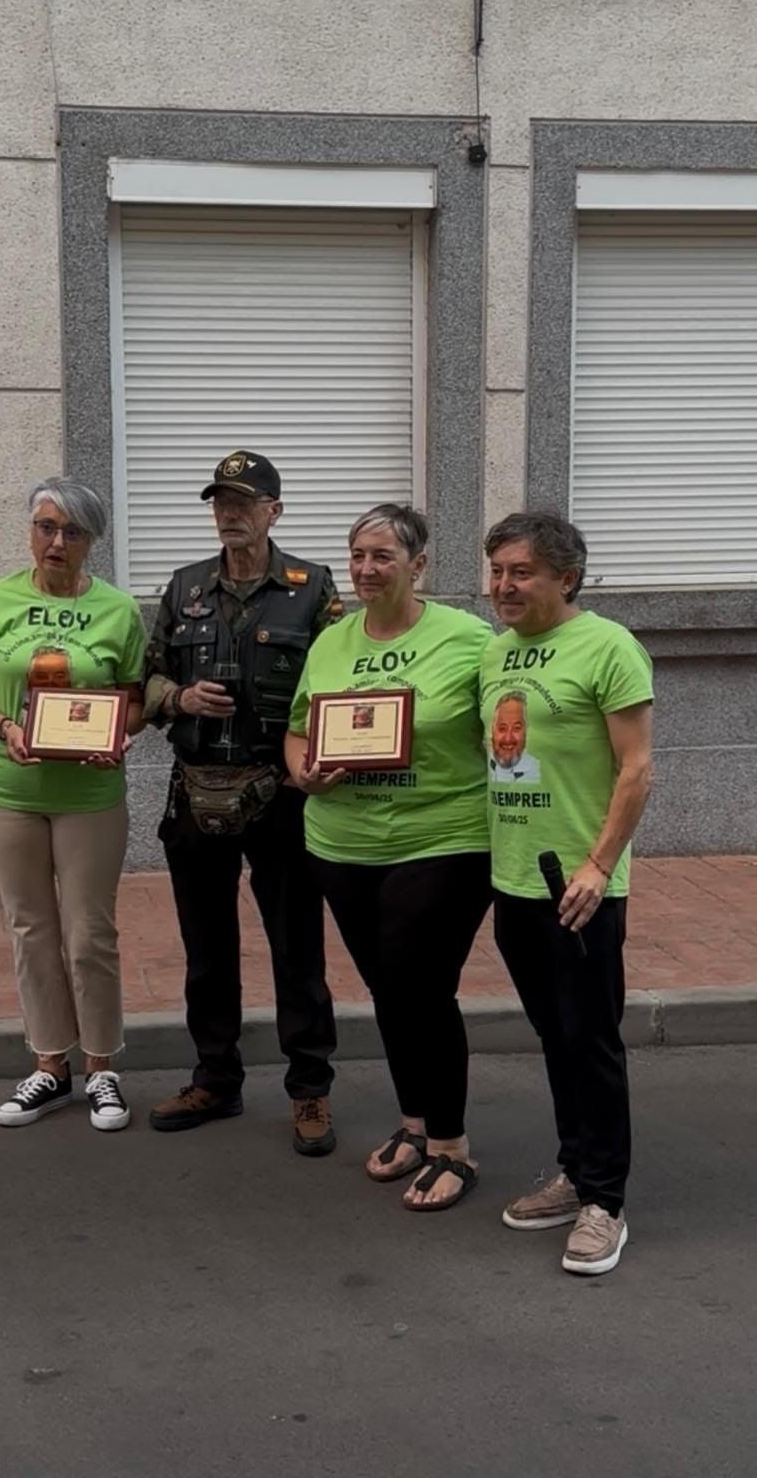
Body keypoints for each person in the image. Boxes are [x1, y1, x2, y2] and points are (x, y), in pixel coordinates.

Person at [286, 504, 493, 1211]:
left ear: (419, 565)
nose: (367, 569)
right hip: (342, 843)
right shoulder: (332, 642)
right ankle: (414, 1122)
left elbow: (508, 732)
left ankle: (452, 1147)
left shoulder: (468, 639)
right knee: (388, 988)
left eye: (383, 556)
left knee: (420, 986)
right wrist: (304, 772)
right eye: (357, 557)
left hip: (442, 839)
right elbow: (298, 730)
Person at [144, 450, 343, 1155]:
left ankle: (310, 1089)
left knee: (297, 948)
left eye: (244, 501)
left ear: (274, 511)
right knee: (206, 948)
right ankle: (216, 1078)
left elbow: (339, 685)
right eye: (220, 501)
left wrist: (312, 765)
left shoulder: (312, 588)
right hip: (197, 788)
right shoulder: (184, 587)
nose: (229, 513)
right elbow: (148, 680)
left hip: (281, 793)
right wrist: (178, 697)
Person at [482, 512, 654, 1276]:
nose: (503, 587)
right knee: (555, 1036)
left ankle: (605, 1204)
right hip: (514, 878)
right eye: (496, 572)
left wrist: (599, 865)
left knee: (591, 1040)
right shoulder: (495, 654)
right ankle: (575, 1168)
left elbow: (637, 767)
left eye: (520, 572)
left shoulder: (609, 646)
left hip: (579, 885)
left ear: (565, 578)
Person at [0, 479, 147, 1131]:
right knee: (30, 928)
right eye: (46, 527)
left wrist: (118, 735)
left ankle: (103, 1069)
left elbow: (133, 700)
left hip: (89, 795)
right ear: (30, 530)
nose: (57, 542)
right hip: (8, 791)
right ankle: (49, 1067)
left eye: (73, 532)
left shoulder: (119, 610)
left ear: (93, 541)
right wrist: (4, 727)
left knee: (90, 933)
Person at [489, 692, 541, 783]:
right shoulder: (479, 765)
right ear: (493, 730)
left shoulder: (537, 773)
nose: (508, 738)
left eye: (516, 728)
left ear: (526, 731)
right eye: (502, 728)